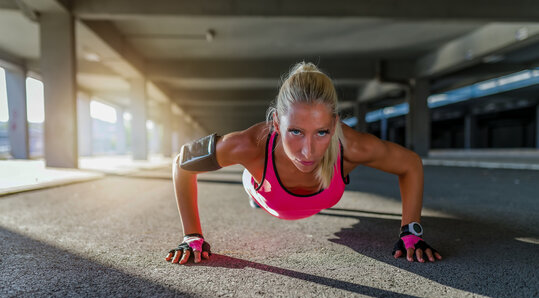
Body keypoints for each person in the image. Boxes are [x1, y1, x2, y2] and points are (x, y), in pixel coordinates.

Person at [166, 62, 442, 265]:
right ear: (276, 122)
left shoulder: (352, 146)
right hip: (262, 190)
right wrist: (192, 236)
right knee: (257, 188)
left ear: (334, 124)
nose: (308, 151)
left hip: (318, 198)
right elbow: (181, 163)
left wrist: (411, 231)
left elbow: (411, 164)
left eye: (321, 132)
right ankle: (255, 196)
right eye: (295, 131)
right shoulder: (248, 145)